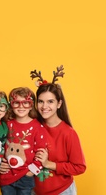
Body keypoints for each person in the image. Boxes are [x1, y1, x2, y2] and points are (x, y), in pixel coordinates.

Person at [31, 65, 86, 195]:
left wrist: (49, 164)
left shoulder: (68, 133)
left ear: (59, 104)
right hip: (34, 191)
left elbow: (80, 167)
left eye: (50, 101)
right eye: (40, 101)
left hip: (62, 191)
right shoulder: (33, 127)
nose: (45, 106)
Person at [0, 87, 48, 195]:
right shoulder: (7, 124)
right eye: (17, 103)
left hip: (26, 177)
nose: (21, 107)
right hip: (6, 177)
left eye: (26, 103)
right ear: (11, 105)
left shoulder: (37, 127)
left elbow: (41, 152)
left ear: (31, 105)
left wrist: (31, 172)